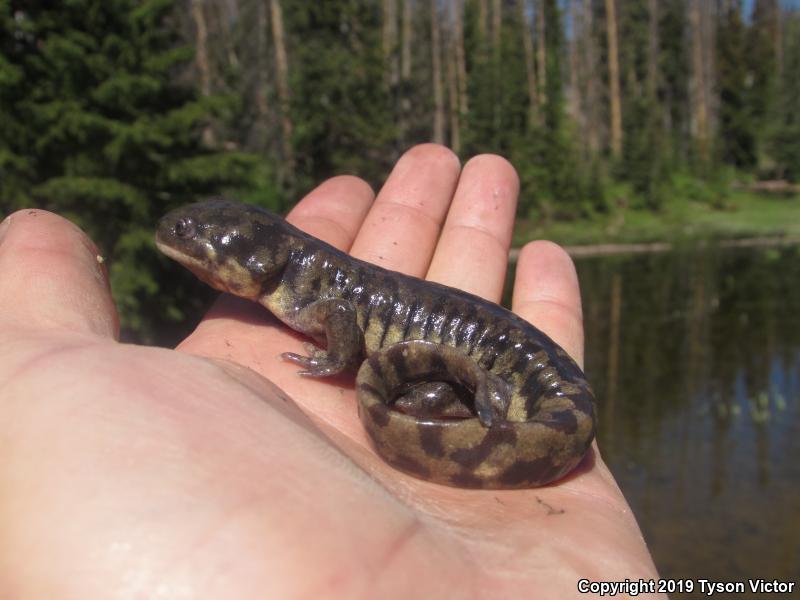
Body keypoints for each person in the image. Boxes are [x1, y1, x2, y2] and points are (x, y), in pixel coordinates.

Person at [0, 145, 662, 597]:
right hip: (506, 365)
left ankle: (472, 404)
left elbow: (342, 330)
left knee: (479, 389)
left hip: (530, 374)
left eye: (207, 247)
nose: (195, 253)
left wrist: (336, 361)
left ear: (258, 260)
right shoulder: (296, 277)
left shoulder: (310, 290)